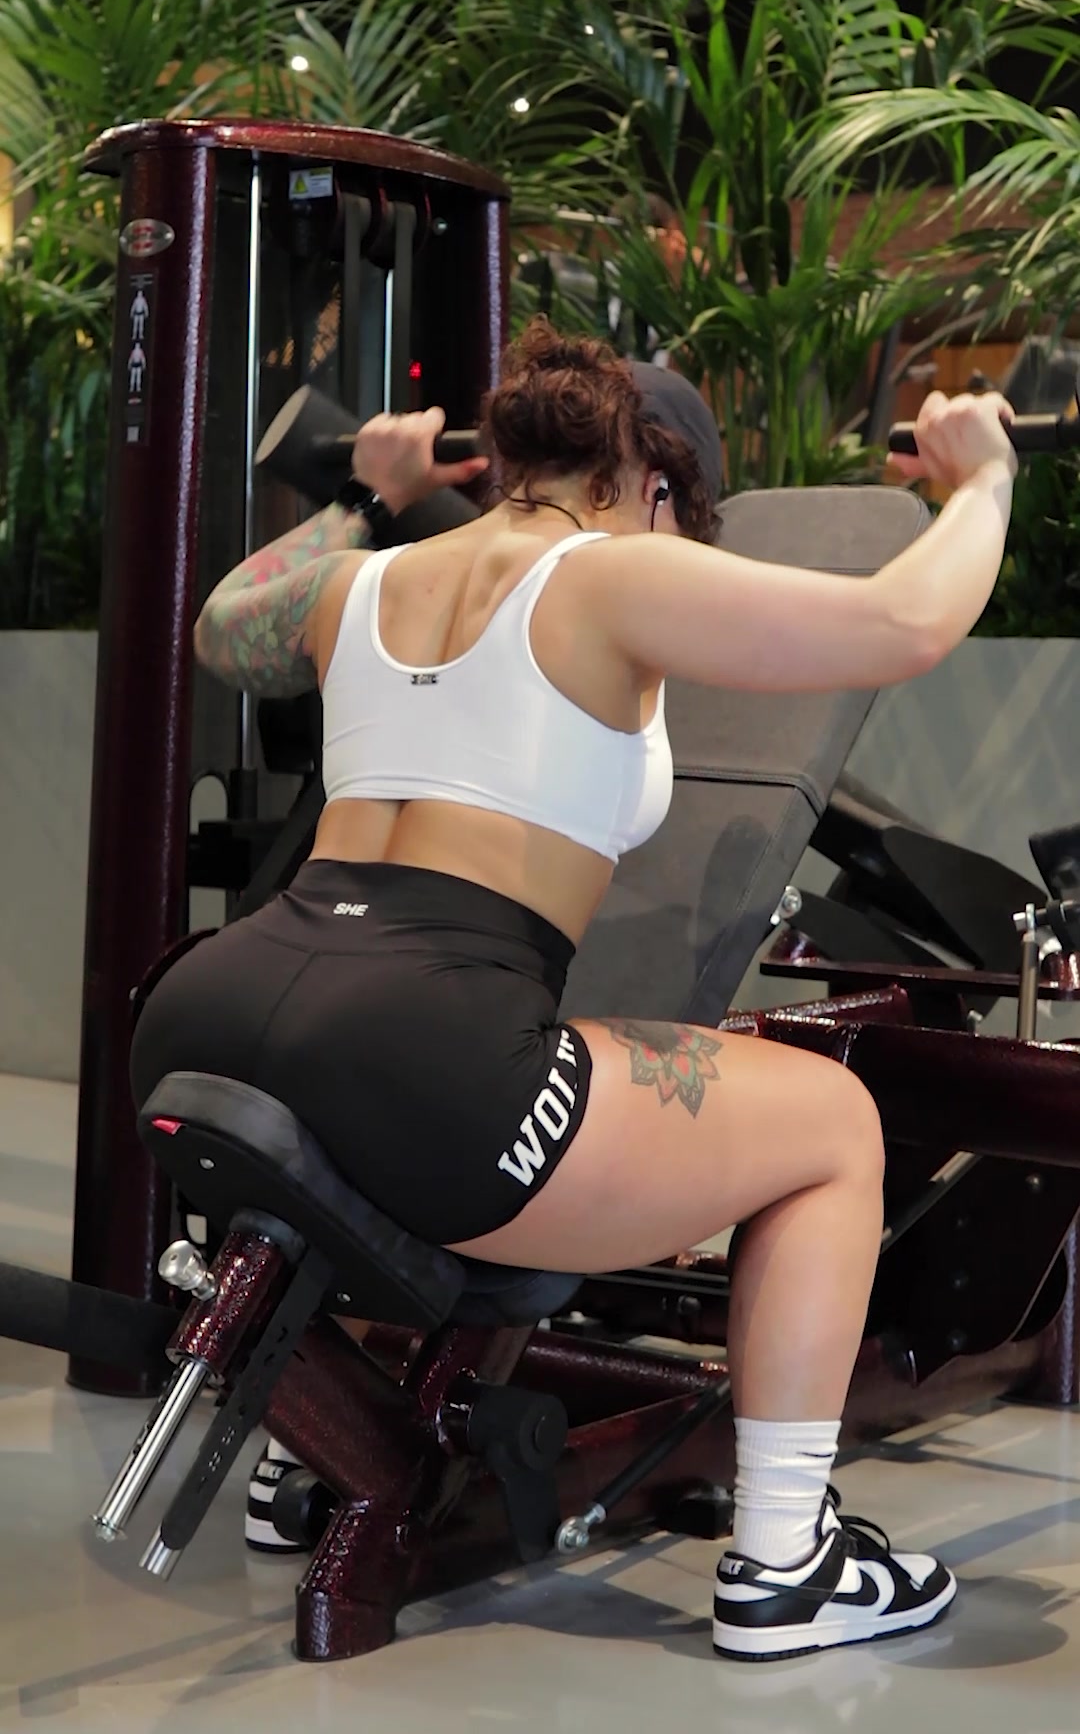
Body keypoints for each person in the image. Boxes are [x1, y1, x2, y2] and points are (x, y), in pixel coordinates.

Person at [130, 321, 1016, 1660]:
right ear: (653, 488)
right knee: (836, 1126)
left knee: (385, 1135)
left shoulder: (361, 579)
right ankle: (789, 1562)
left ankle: (299, 1461)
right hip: (427, 1042)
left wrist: (369, 491)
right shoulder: (612, 568)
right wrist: (983, 476)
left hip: (216, 1010)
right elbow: (905, 621)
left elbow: (220, 623)